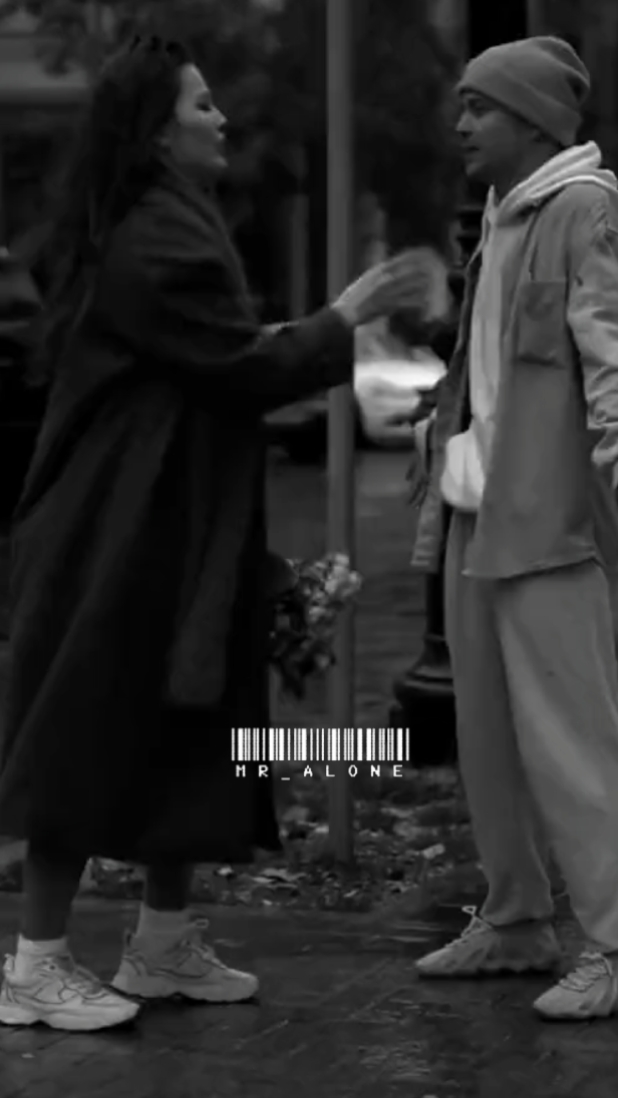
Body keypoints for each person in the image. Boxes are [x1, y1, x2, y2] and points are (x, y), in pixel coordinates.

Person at [0, 35, 428, 1032]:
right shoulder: (158, 238)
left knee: (189, 728)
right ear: (157, 134)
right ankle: (35, 965)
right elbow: (241, 368)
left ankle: (162, 945)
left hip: (171, 523)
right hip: (120, 530)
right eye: (201, 105)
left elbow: (215, 359)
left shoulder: (163, 222)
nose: (222, 117)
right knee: (87, 726)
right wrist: (345, 317)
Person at [411, 36, 618, 1021]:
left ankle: (613, 941)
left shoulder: (583, 209)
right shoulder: (503, 213)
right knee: (487, 736)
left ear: (534, 119)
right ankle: (517, 918)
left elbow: (608, 356)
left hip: (551, 523)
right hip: (478, 512)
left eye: (478, 107)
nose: (461, 125)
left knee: (576, 742)